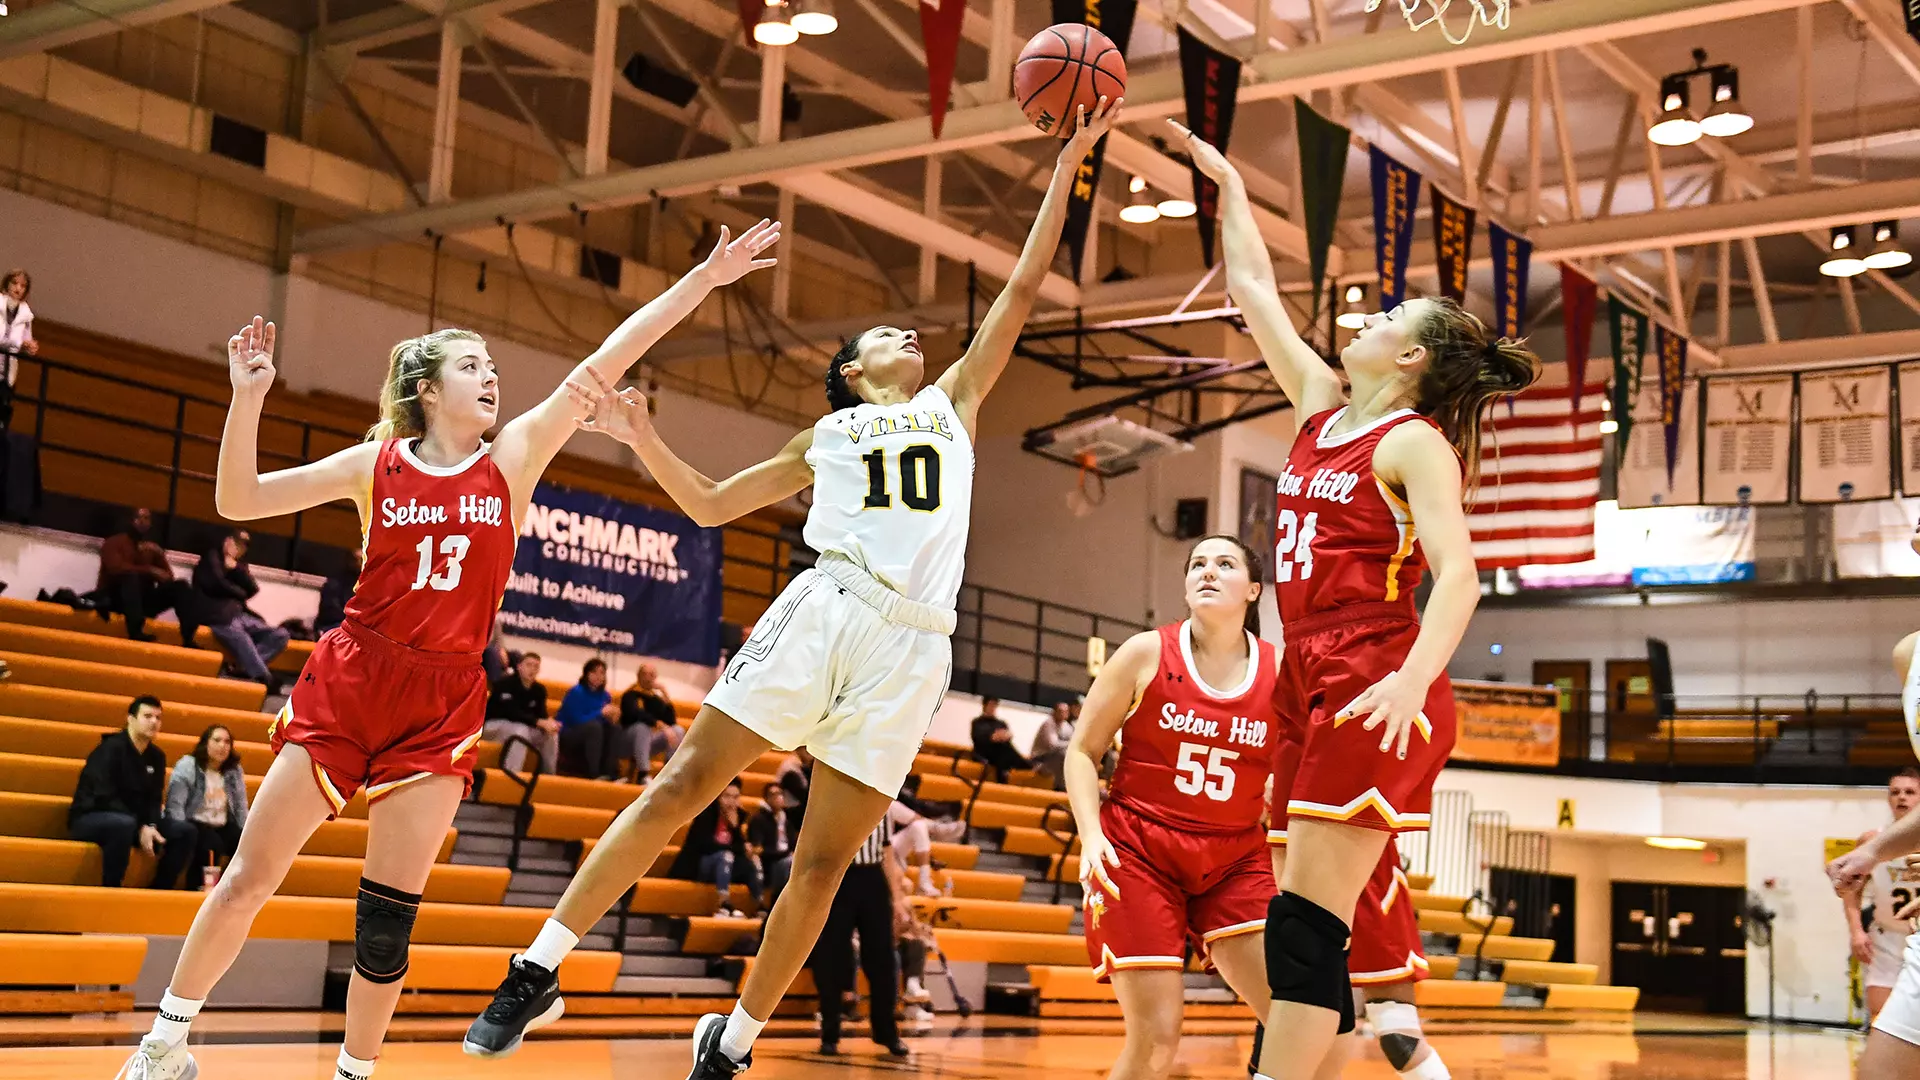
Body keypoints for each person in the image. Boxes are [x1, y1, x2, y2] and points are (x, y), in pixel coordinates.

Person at [462, 99, 1123, 1080]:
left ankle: (730, 1045)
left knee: (821, 865)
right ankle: (537, 966)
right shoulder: (827, 438)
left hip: (915, 648)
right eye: (884, 333)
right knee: (686, 781)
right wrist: (644, 438)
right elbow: (714, 506)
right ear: (853, 376)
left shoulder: (956, 402)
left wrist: (1073, 157)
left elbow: (1024, 285)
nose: (909, 331)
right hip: (829, 610)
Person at [114, 217, 780, 1080]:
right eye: (473, 366)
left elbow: (610, 357)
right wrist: (247, 399)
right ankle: (164, 1041)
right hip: (355, 674)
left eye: (493, 367)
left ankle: (356, 1071)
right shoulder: (375, 463)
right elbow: (238, 499)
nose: (492, 377)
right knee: (248, 875)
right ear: (428, 389)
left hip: (442, 699)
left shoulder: (513, 459)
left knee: (385, 920)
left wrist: (704, 280)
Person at [1179, 121, 1539, 1080]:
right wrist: (1227, 183)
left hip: (1373, 667)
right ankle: (1362, 1056)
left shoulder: (1413, 442)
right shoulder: (1318, 408)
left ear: (1411, 359)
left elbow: (1459, 577)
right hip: (1302, 667)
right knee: (1293, 922)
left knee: (1301, 926)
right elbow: (1252, 289)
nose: (1370, 315)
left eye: (1390, 315)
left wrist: (1414, 684)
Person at [1065, 535, 1279, 1080]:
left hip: (1234, 857)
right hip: (1138, 852)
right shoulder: (1145, 652)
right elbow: (1083, 753)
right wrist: (1091, 837)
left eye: (1225, 564)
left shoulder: (1281, 673)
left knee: (1294, 1015)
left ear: (1254, 590)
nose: (1208, 572)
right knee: (1158, 1041)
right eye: (1197, 564)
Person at [70, 695, 198, 889]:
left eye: (158, 718)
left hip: (134, 823)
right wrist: (140, 826)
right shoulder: (109, 749)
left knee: (185, 831)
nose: (154, 722)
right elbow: (104, 796)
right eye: (147, 716)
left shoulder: (157, 756)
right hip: (90, 817)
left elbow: (155, 799)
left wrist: (152, 824)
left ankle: (160, 888)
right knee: (123, 824)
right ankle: (111, 888)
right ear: (130, 719)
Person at [809, 818, 911, 1058]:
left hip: (873, 879)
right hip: (838, 876)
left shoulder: (882, 799)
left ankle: (886, 1031)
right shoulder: (837, 792)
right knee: (832, 956)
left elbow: (886, 850)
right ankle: (830, 1033)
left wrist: (896, 899)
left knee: (882, 958)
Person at [1843, 769, 1920, 1022]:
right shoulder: (1872, 840)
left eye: (1910, 792)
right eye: (1895, 792)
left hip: (1918, 936)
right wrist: (1856, 931)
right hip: (1887, 937)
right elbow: (1851, 890)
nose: (1902, 798)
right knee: (1880, 1015)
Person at [188, 528, 290, 688]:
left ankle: (244, 669)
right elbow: (215, 585)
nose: (238, 549)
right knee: (241, 637)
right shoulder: (211, 558)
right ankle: (264, 678)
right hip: (217, 615)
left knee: (280, 635)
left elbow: (253, 589)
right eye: (236, 544)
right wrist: (238, 591)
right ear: (227, 541)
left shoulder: (239, 566)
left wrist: (235, 570)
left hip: (239, 614)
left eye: (242, 547)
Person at [165, 725, 249, 890]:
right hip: (195, 821)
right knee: (212, 843)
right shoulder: (189, 765)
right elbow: (176, 804)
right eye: (217, 740)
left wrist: (247, 832)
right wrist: (179, 831)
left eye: (227, 742)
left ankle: (227, 888)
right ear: (205, 743)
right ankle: (199, 887)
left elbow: (240, 805)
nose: (222, 746)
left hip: (222, 824)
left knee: (246, 844)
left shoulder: (233, 771)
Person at [93, 507, 193, 643]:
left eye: (146, 518)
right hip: (116, 600)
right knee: (130, 577)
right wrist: (149, 569)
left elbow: (168, 578)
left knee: (181, 586)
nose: (142, 522)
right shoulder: (114, 542)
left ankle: (188, 638)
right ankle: (135, 632)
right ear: (130, 521)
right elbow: (115, 569)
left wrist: (159, 554)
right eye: (138, 517)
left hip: (143, 603)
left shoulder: (151, 548)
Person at [670, 779, 759, 917]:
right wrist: (732, 848)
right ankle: (723, 903)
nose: (731, 802)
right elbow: (704, 845)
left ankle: (759, 906)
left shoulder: (737, 817)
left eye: (735, 797)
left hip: (724, 868)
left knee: (752, 860)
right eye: (727, 796)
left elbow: (740, 849)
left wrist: (735, 828)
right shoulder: (706, 814)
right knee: (726, 855)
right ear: (718, 797)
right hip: (699, 865)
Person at [484, 652, 558, 775]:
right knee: (520, 731)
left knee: (551, 734)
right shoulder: (504, 683)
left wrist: (549, 723)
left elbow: (542, 715)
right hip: (492, 727)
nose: (532, 669)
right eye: (529, 665)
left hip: (518, 729)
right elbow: (511, 712)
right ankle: (511, 775)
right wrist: (538, 722)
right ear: (519, 667)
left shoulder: (539, 690)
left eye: (536, 666)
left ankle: (548, 776)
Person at [555, 658, 623, 780]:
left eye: (602, 673)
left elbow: (603, 721)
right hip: (569, 733)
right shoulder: (576, 692)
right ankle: (593, 774)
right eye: (594, 672)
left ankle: (611, 774)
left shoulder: (605, 695)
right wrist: (600, 713)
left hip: (592, 732)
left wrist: (612, 717)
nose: (598, 676)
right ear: (586, 674)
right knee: (594, 727)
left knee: (615, 728)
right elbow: (576, 720)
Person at [620, 664, 684, 781]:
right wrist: (660, 725)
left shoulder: (655, 699)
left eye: (652, 675)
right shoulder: (630, 694)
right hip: (627, 741)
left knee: (678, 730)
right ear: (638, 676)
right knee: (642, 728)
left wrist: (664, 693)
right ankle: (643, 773)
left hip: (648, 743)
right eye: (645, 674)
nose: (648, 678)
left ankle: (668, 773)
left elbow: (671, 721)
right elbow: (635, 714)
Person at [747, 782, 797, 907]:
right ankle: (777, 904)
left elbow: (793, 845)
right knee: (789, 862)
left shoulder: (788, 821)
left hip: (786, 860)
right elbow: (758, 850)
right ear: (766, 798)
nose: (777, 797)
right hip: (770, 864)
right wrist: (785, 854)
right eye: (773, 794)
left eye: (780, 794)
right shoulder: (758, 820)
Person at [970, 697, 1030, 782]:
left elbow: (1007, 737)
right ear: (984, 706)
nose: (992, 708)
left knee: (1004, 749)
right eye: (990, 705)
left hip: (1000, 751)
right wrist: (992, 737)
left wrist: (1003, 736)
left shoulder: (1001, 723)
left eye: (994, 705)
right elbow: (978, 740)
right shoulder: (977, 722)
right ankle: (1022, 764)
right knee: (1003, 750)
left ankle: (1005, 771)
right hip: (985, 752)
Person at [316, 548, 362, 637]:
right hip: (333, 625)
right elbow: (331, 612)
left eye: (362, 560)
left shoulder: (364, 583)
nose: (360, 564)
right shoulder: (334, 583)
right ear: (349, 561)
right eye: (357, 560)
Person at [1031, 701, 1075, 788]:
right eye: (1060, 711)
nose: (1063, 714)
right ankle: (1061, 788)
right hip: (1040, 759)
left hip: (1054, 758)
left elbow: (1074, 742)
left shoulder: (1066, 726)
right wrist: (1071, 744)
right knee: (1063, 755)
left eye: (1066, 711)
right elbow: (1053, 745)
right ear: (1054, 712)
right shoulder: (1048, 723)